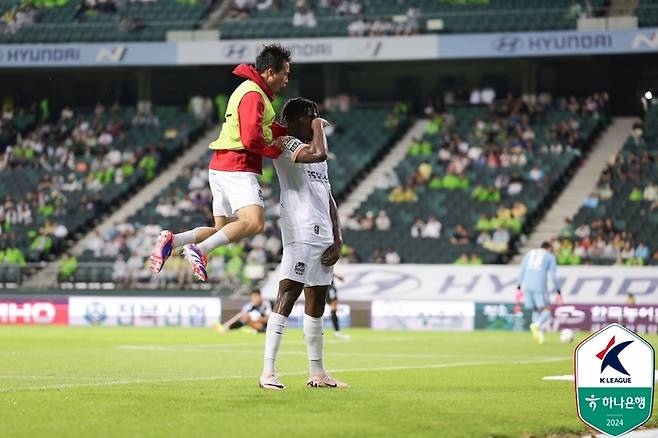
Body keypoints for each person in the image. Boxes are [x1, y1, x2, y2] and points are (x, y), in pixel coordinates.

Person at [149, 44, 291, 282]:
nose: (287, 78)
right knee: (254, 223)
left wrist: (287, 131)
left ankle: (174, 240)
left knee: (221, 229)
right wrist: (274, 149)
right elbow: (250, 138)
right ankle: (201, 250)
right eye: (285, 73)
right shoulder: (254, 94)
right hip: (237, 165)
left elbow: (261, 128)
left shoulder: (251, 91)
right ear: (269, 72)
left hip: (221, 166)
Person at [259, 97, 348, 391]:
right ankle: (268, 372)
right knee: (288, 294)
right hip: (300, 231)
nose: (315, 119)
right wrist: (318, 126)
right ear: (295, 120)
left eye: (317, 115)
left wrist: (337, 237)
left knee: (317, 302)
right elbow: (319, 154)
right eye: (309, 116)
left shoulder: (314, 155)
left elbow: (329, 196)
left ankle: (318, 373)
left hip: (323, 235)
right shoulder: (286, 144)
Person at [517, 242, 562, 344]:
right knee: (546, 309)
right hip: (539, 285)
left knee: (536, 309)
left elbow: (522, 270)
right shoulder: (549, 256)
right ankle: (536, 325)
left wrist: (518, 286)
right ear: (549, 248)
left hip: (526, 285)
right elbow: (553, 275)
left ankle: (538, 334)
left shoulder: (529, 253)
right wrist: (557, 289)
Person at [327, 274, 350, 340]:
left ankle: (309, 331)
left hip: (322, 287)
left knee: (318, 308)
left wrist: (337, 276)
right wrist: (337, 276)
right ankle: (337, 332)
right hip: (330, 288)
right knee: (333, 310)